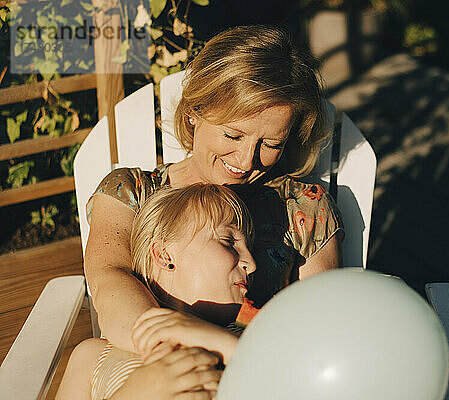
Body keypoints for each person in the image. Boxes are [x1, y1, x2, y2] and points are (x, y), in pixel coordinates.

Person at [84, 24, 344, 354]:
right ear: (195, 112)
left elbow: (322, 321)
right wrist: (172, 356)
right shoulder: (132, 192)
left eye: (271, 143)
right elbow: (111, 278)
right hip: (148, 365)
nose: (248, 160)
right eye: (233, 135)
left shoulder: (305, 208)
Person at [57, 184, 258, 399]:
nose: (252, 264)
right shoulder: (92, 356)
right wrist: (137, 392)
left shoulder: (257, 331)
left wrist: (222, 343)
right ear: (164, 256)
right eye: (228, 242)